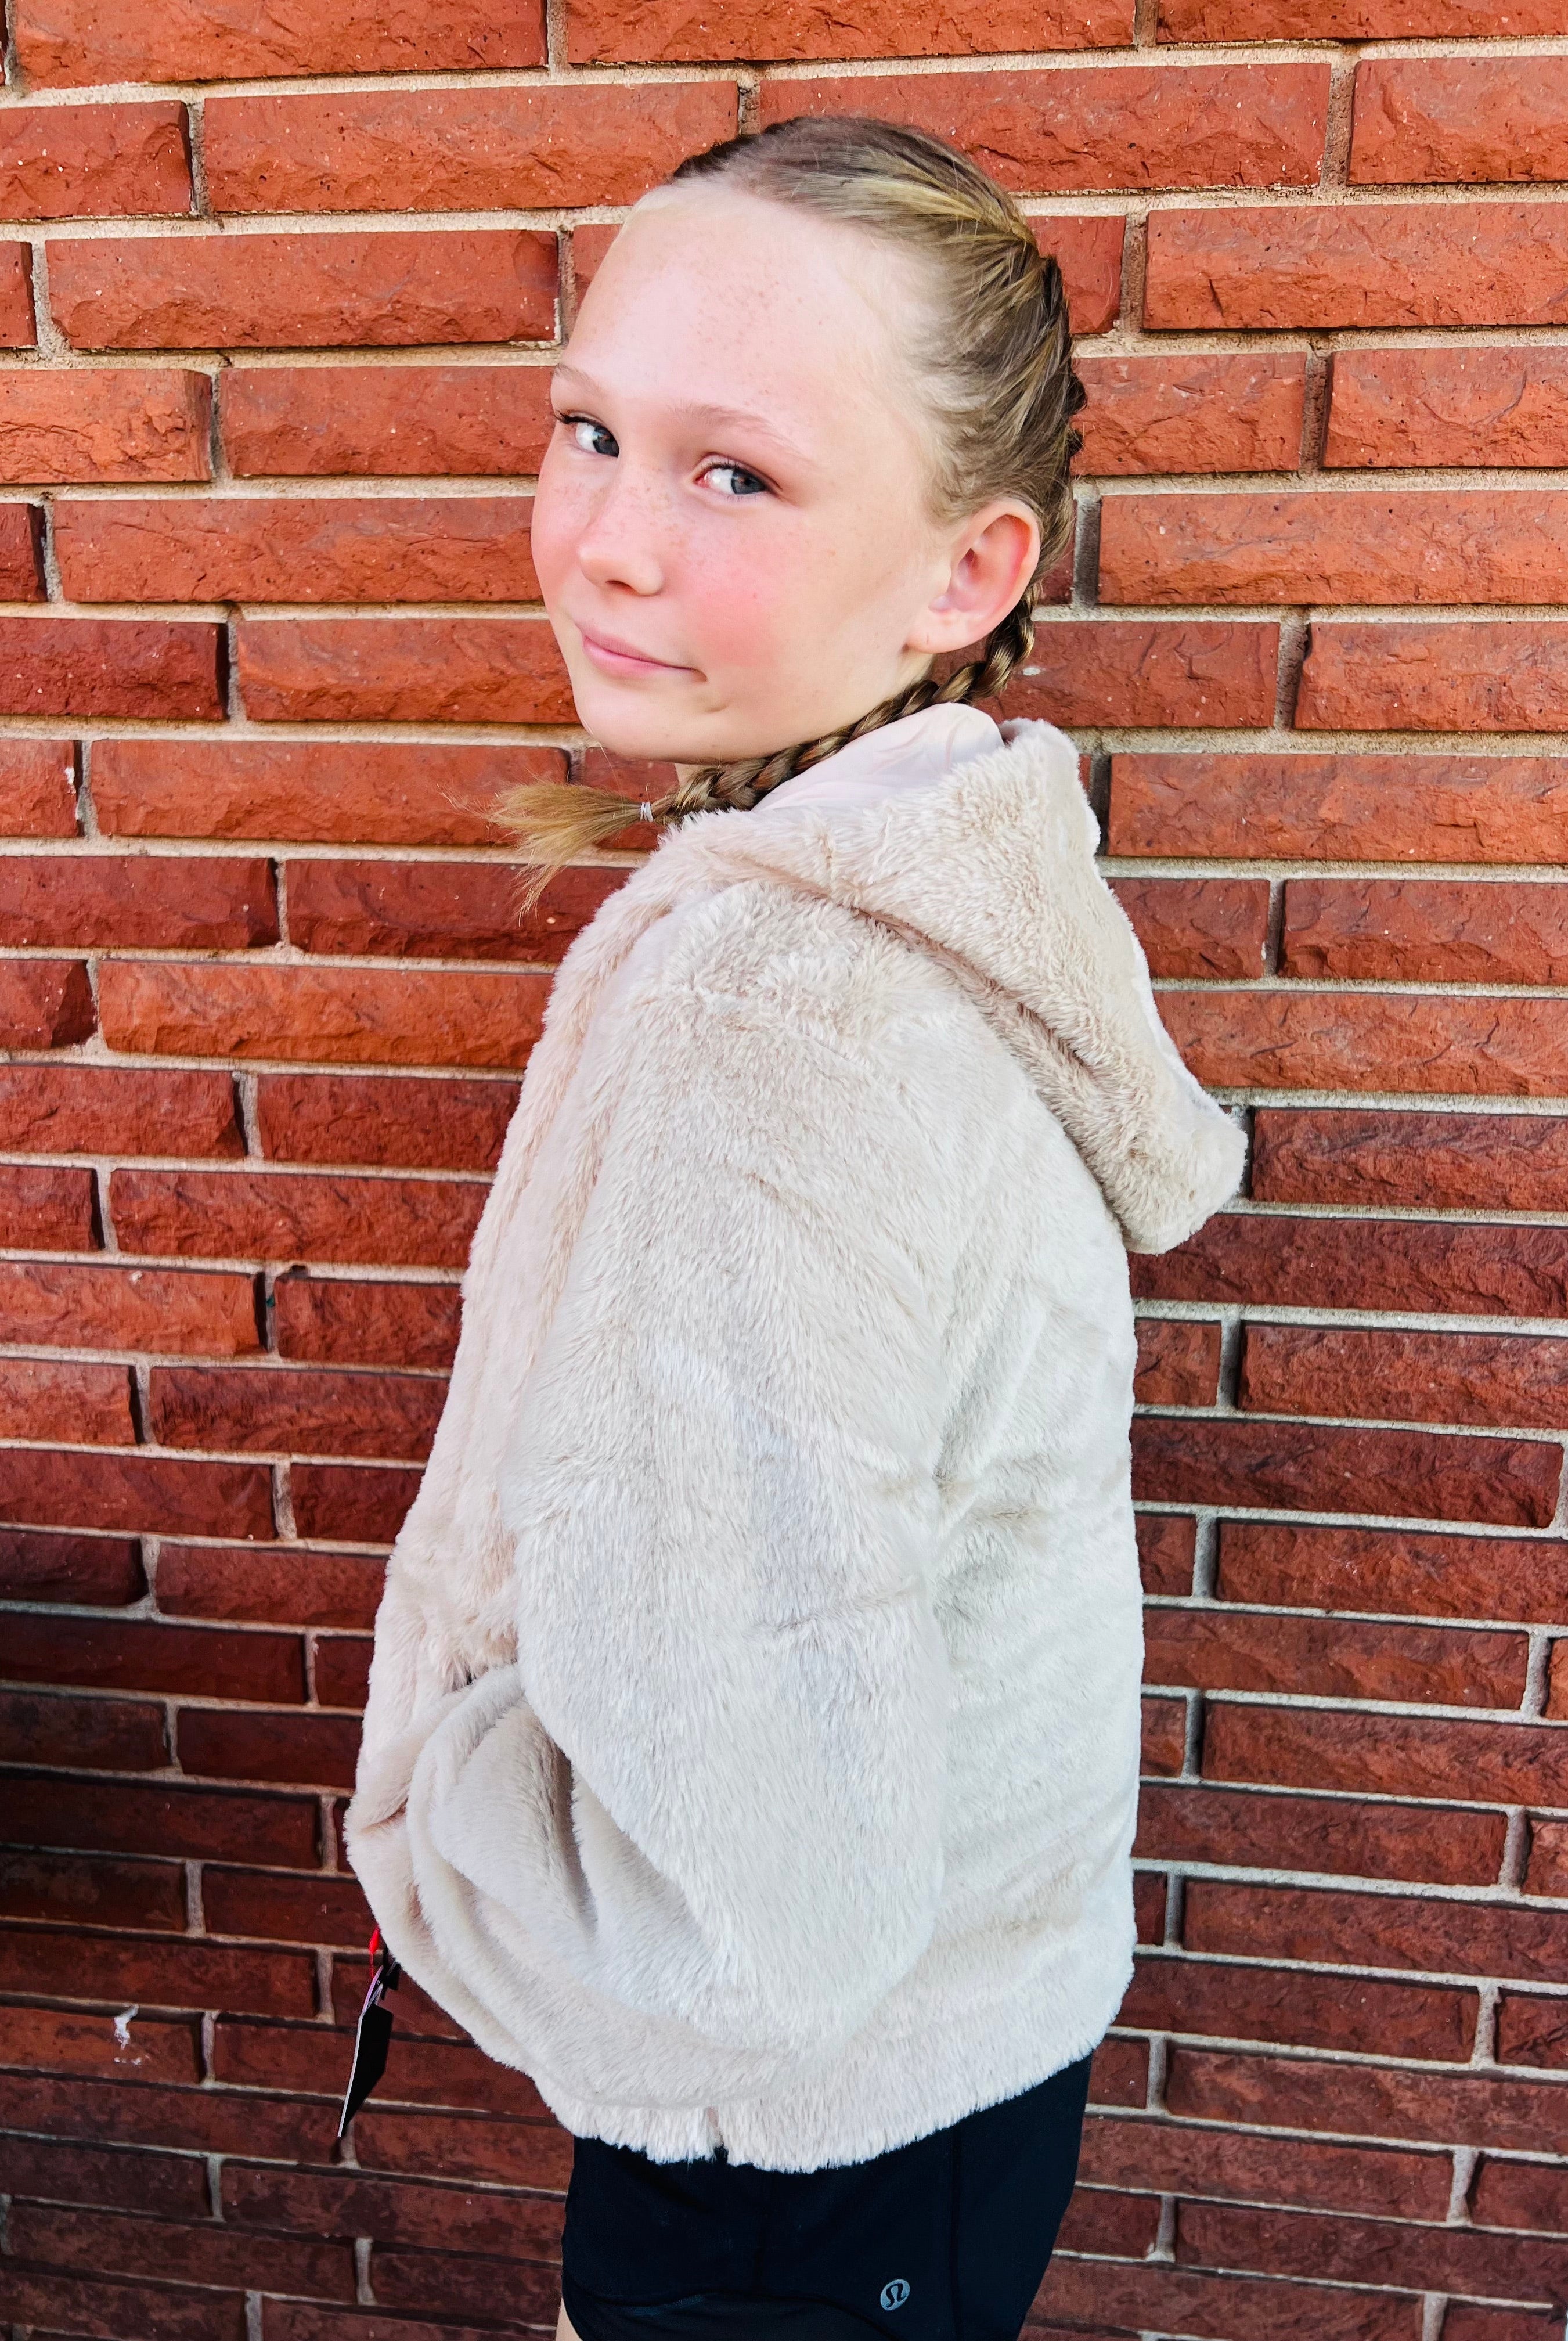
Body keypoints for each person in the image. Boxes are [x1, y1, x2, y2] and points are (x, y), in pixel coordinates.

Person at [344, 116, 1245, 2341]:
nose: (608, 542)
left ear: (965, 573)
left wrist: (449, 1834)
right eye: (589, 430)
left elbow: (746, 1915)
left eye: (733, 473)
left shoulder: (768, 1013)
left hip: (786, 2157)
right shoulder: (952, 899)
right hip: (950, 2086)